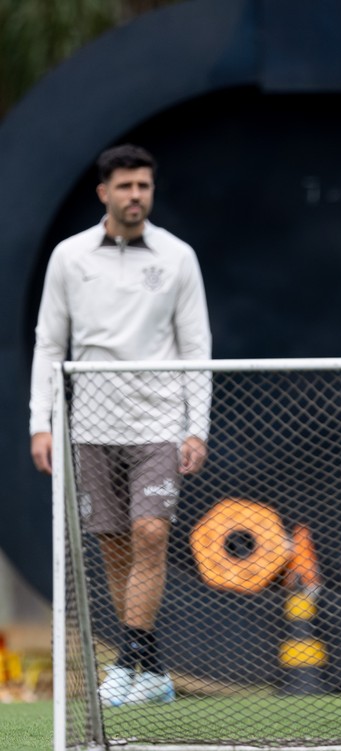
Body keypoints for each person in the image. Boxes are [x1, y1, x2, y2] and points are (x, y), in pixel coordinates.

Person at [30, 144, 211, 707]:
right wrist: (41, 422)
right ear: (104, 192)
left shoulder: (178, 256)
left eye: (144, 186)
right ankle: (150, 671)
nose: (136, 196)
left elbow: (196, 346)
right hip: (88, 426)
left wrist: (195, 427)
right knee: (113, 548)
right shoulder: (69, 257)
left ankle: (130, 660)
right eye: (126, 186)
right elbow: (48, 344)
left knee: (151, 534)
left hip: (158, 420)